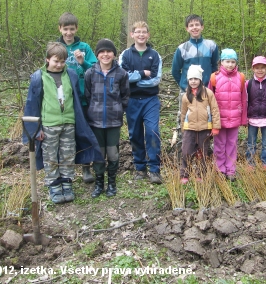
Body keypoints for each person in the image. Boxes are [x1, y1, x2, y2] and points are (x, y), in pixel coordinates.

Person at [22, 42, 103, 204]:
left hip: (69, 123)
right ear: (47, 60)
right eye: (55, 61)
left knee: (67, 154)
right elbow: (32, 104)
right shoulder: (39, 77)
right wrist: (35, 130)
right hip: (49, 125)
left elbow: (77, 99)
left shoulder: (71, 75)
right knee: (50, 156)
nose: (59, 65)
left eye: (62, 61)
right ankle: (54, 185)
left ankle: (67, 182)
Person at [84, 39, 130, 198]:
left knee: (112, 153)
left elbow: (125, 96)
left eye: (108, 51)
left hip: (113, 121)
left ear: (114, 54)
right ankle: (99, 183)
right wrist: (92, 111)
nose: (105, 55)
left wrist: (118, 110)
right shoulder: (90, 73)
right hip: (95, 121)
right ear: (97, 55)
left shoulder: (121, 74)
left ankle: (111, 182)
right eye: (102, 52)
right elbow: (88, 95)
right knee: (98, 153)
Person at [119, 21, 163, 184]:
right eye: (137, 32)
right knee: (135, 134)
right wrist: (141, 74)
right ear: (132, 35)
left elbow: (155, 80)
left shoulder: (155, 55)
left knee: (152, 132)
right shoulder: (125, 55)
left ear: (148, 34)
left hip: (150, 100)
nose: (141, 35)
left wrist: (134, 79)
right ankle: (140, 167)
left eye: (144, 32)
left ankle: (154, 169)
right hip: (131, 101)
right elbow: (123, 77)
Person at [57, 12, 98, 183]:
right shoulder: (56, 48)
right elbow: (48, 70)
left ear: (76, 29)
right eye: (65, 29)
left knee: (84, 132)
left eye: (71, 29)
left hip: (83, 97)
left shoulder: (85, 48)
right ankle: (64, 169)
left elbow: (95, 69)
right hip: (63, 99)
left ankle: (86, 167)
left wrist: (82, 62)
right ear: (60, 29)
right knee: (65, 134)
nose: (68, 33)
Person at [171, 15, 219, 140]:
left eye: (197, 25)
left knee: (206, 117)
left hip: (206, 90)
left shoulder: (211, 46)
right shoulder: (182, 48)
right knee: (185, 116)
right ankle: (185, 146)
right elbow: (175, 70)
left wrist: (210, 84)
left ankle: (204, 148)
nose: (194, 27)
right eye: (191, 25)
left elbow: (215, 66)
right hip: (187, 91)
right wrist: (183, 85)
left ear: (202, 27)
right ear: (187, 28)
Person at [208, 49, 247, 180]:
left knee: (232, 144)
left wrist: (243, 118)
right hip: (219, 120)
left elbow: (243, 98)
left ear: (236, 63)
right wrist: (211, 120)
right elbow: (209, 100)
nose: (230, 64)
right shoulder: (214, 77)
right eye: (227, 61)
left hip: (235, 118)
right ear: (221, 62)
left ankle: (230, 170)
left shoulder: (240, 77)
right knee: (219, 145)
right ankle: (219, 169)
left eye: (232, 62)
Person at [180, 65, 221, 184]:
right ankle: (184, 174)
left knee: (203, 152)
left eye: (196, 79)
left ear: (200, 80)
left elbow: (214, 110)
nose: (193, 81)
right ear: (188, 80)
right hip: (190, 128)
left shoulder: (208, 93)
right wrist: (183, 127)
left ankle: (201, 174)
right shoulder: (185, 96)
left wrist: (216, 126)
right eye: (191, 79)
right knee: (186, 151)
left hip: (204, 128)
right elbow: (183, 113)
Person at [245, 56, 266, 170]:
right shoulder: (248, 84)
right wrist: (244, 117)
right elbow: (245, 101)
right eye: (257, 68)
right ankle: (250, 163)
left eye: (262, 68)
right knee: (251, 143)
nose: (260, 70)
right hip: (252, 118)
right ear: (253, 69)